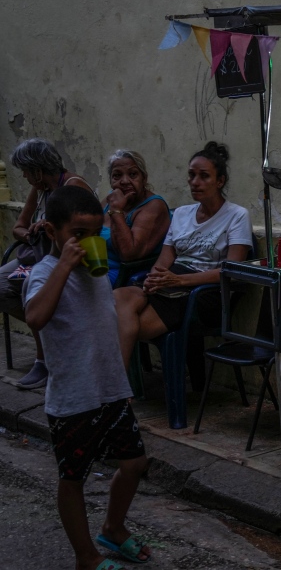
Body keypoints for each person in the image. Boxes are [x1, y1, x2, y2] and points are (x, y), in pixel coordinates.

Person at [24, 185, 150, 570]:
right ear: (52, 232)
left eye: (96, 234)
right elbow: (35, 318)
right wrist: (62, 265)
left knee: (135, 463)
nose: (88, 243)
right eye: (78, 234)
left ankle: (113, 527)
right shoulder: (46, 273)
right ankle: (86, 557)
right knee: (73, 477)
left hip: (110, 390)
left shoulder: (97, 274)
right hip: (73, 400)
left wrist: (121, 382)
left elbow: (102, 327)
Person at [114, 141, 252, 375]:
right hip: (171, 282)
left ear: (220, 181)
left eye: (204, 176)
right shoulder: (181, 214)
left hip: (205, 290)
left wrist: (179, 282)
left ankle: (116, 389)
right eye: (191, 175)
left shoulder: (237, 216)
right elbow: (164, 260)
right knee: (118, 298)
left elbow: (233, 270)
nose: (195, 182)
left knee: (128, 326)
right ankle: (118, 389)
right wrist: (154, 278)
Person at [4, 138, 94, 390]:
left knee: (27, 285)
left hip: (67, 259)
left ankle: (44, 358)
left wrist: (51, 229)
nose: (23, 176)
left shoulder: (73, 187)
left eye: (25, 170)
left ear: (37, 169)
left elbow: (84, 233)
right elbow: (18, 228)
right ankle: (53, 334)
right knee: (3, 284)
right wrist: (32, 232)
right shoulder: (41, 188)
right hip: (37, 254)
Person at [101, 149, 172, 286]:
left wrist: (116, 211)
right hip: (94, 267)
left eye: (133, 174)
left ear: (144, 178)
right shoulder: (110, 199)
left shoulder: (154, 206)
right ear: (110, 181)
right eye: (117, 176)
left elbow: (128, 254)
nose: (125, 181)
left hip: (122, 274)